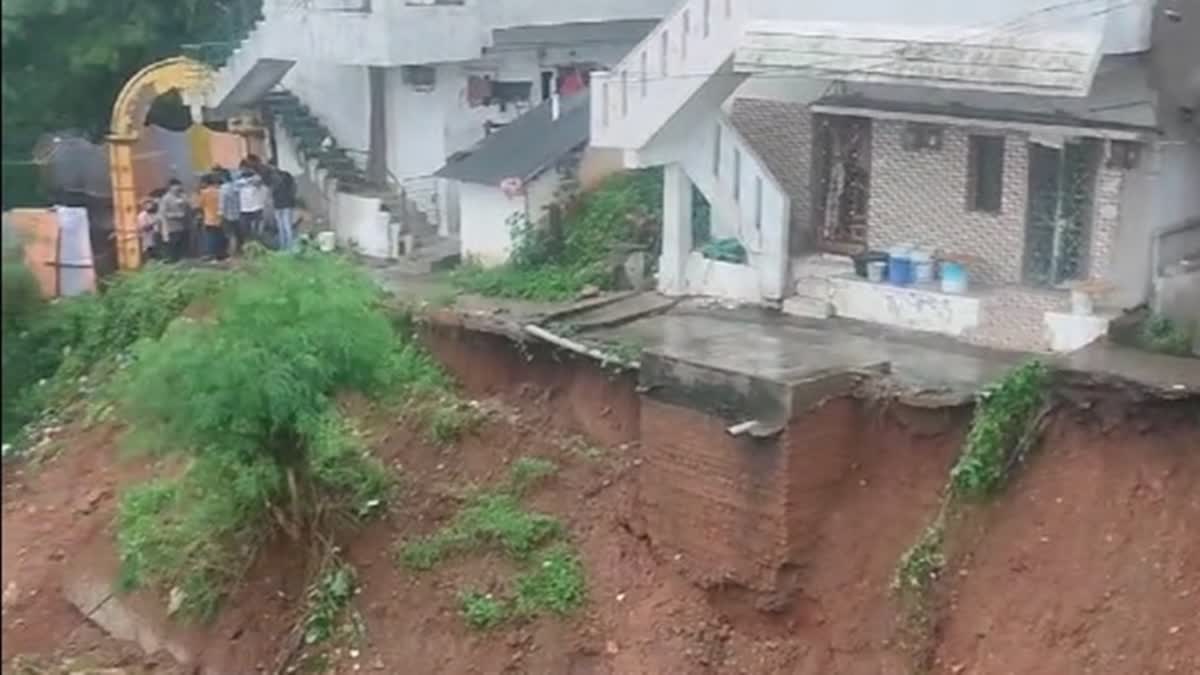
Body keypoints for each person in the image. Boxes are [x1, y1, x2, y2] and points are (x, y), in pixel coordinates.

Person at [159, 179, 190, 262]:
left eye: (179, 185)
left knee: (182, 245)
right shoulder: (166, 198)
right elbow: (163, 213)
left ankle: (181, 260)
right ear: (170, 187)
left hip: (183, 226)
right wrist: (176, 215)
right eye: (176, 186)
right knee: (173, 245)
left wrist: (185, 202)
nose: (178, 187)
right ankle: (172, 261)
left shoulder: (182, 197)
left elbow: (188, 208)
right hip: (172, 227)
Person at [195, 174, 225, 260]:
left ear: (205, 183)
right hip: (220, 218)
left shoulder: (204, 193)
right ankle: (221, 255)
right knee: (220, 237)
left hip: (209, 219)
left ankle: (212, 255)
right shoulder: (219, 191)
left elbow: (199, 205)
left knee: (211, 238)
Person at [271, 165, 298, 251]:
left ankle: (283, 247)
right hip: (288, 204)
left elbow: (272, 191)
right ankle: (290, 246)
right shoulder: (287, 176)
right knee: (287, 226)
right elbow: (294, 188)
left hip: (278, 205)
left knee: (281, 227)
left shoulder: (273, 178)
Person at [238, 169, 268, 244]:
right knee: (246, 232)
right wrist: (248, 181)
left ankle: (257, 245)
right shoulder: (241, 184)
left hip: (256, 209)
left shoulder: (258, 183)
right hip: (245, 210)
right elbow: (237, 184)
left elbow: (259, 180)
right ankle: (250, 246)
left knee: (256, 231)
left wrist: (251, 179)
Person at [218, 169, 242, 255]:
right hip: (237, 214)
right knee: (236, 235)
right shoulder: (235, 187)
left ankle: (232, 253)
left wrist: (220, 215)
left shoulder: (223, 189)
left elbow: (222, 203)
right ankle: (237, 252)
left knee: (231, 236)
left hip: (227, 215)